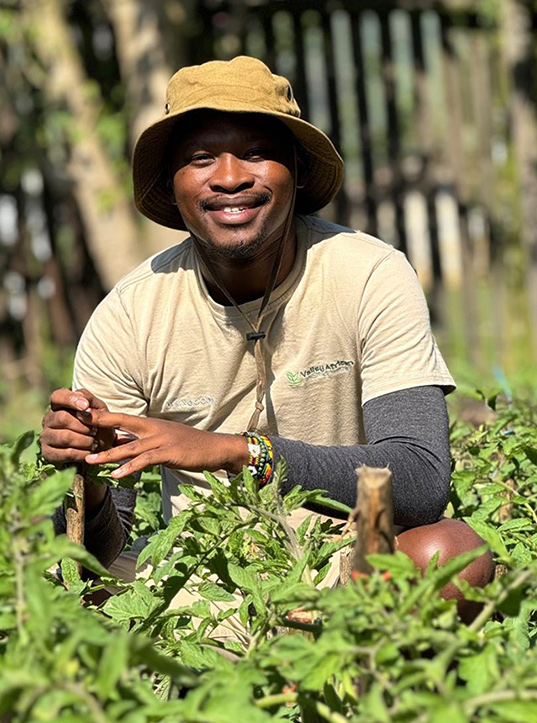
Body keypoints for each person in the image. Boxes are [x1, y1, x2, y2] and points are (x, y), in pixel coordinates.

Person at [39, 56, 494, 605]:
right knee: (65, 605)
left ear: (298, 172)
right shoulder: (130, 316)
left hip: (348, 559)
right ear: (172, 183)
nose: (230, 177)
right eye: (201, 158)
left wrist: (239, 452)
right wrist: (85, 473)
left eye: (256, 153)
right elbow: (99, 555)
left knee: (447, 556)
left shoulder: (368, 274)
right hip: (197, 579)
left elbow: (420, 481)